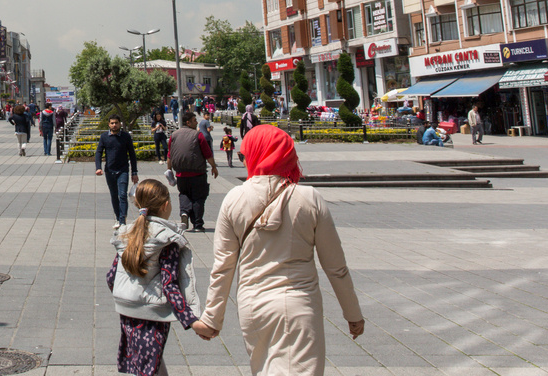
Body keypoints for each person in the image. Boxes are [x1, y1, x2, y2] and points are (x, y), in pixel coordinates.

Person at [194, 125, 364, 375]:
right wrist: (353, 313)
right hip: (299, 304)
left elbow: (223, 266)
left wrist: (212, 317)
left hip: (253, 307)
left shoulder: (234, 198)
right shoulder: (309, 198)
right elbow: (335, 266)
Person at [106, 179, 206, 375]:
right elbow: (170, 286)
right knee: (149, 367)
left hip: (126, 310)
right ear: (166, 205)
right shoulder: (166, 239)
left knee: (146, 366)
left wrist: (128, 293)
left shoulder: (127, 233)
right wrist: (192, 320)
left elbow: (111, 276)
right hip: (152, 315)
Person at [167, 111, 218, 232]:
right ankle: (198, 224)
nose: (197, 123)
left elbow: (169, 155)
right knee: (198, 197)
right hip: (197, 173)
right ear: (188, 122)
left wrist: (169, 170)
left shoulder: (174, 135)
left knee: (184, 193)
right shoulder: (198, 135)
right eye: (195, 121)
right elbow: (207, 154)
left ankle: (184, 213)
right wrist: (214, 167)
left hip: (181, 174)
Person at [95, 115, 140, 228]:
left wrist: (134, 172)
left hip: (123, 170)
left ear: (120, 124)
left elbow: (132, 155)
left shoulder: (125, 137)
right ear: (109, 124)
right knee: (114, 196)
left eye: (116, 123)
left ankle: (122, 220)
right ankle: (118, 216)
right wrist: (98, 167)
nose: (114, 125)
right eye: (112, 123)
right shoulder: (104, 137)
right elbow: (99, 152)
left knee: (122, 195)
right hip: (110, 171)